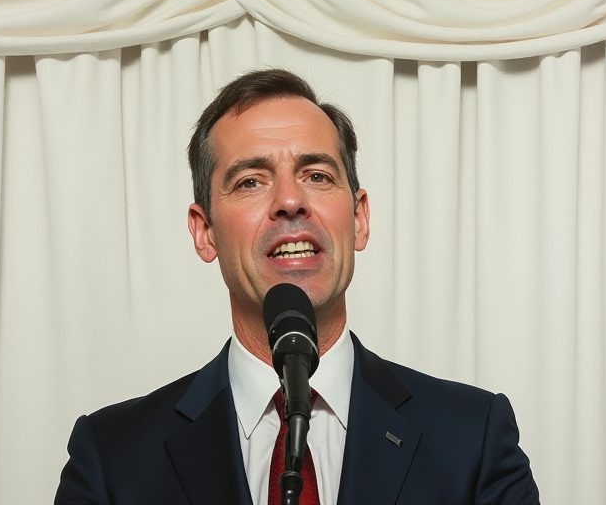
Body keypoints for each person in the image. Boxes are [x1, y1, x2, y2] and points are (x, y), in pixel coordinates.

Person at [55, 69, 540, 505]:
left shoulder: (473, 438)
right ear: (204, 232)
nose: (290, 200)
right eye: (250, 181)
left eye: (317, 175)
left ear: (359, 218)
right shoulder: (111, 456)